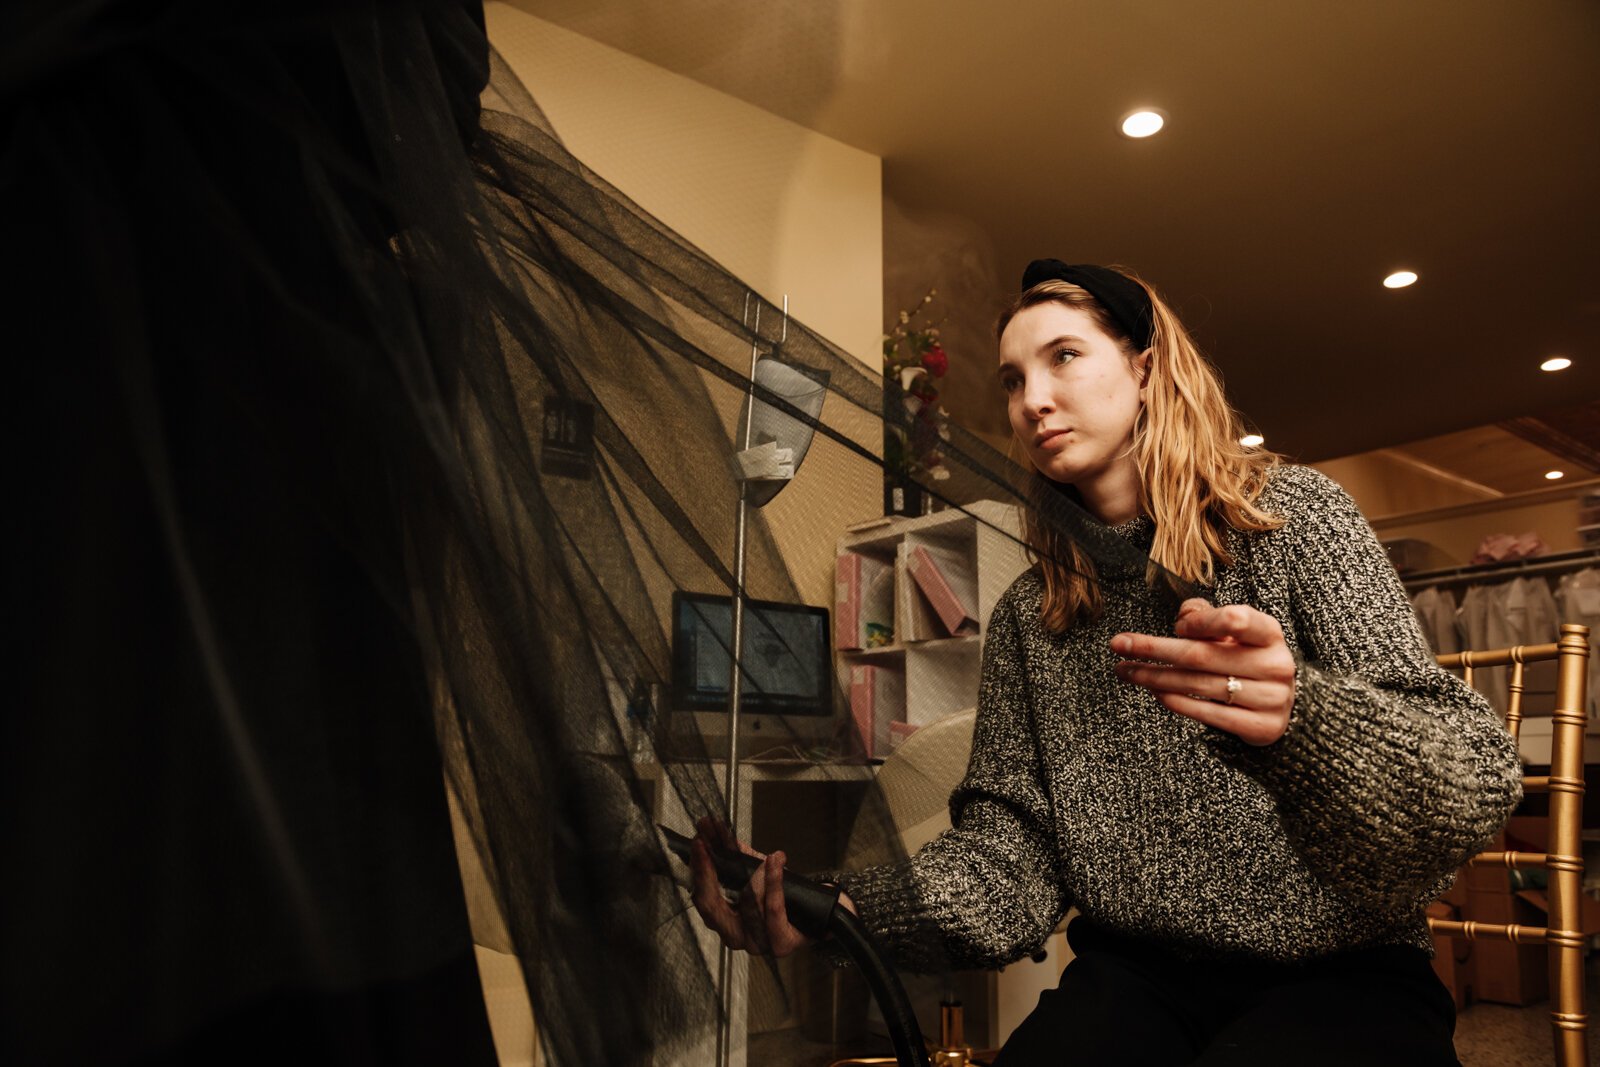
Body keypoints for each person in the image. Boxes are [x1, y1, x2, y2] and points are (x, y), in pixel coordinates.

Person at [690, 260, 1521, 1065]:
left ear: (1147, 368)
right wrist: (844, 910)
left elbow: (1471, 782)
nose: (1032, 400)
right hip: (1136, 978)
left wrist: (1306, 717)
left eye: (1063, 357)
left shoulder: (1296, 522)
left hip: (1343, 973)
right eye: (1013, 380)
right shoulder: (1032, 614)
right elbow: (1007, 861)